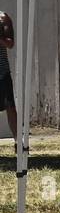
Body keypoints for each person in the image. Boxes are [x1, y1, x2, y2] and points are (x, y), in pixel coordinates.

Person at [0, 9, 14, 142]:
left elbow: (10, 43)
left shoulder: (3, 17)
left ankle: (17, 141)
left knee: (10, 106)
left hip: (2, 71)